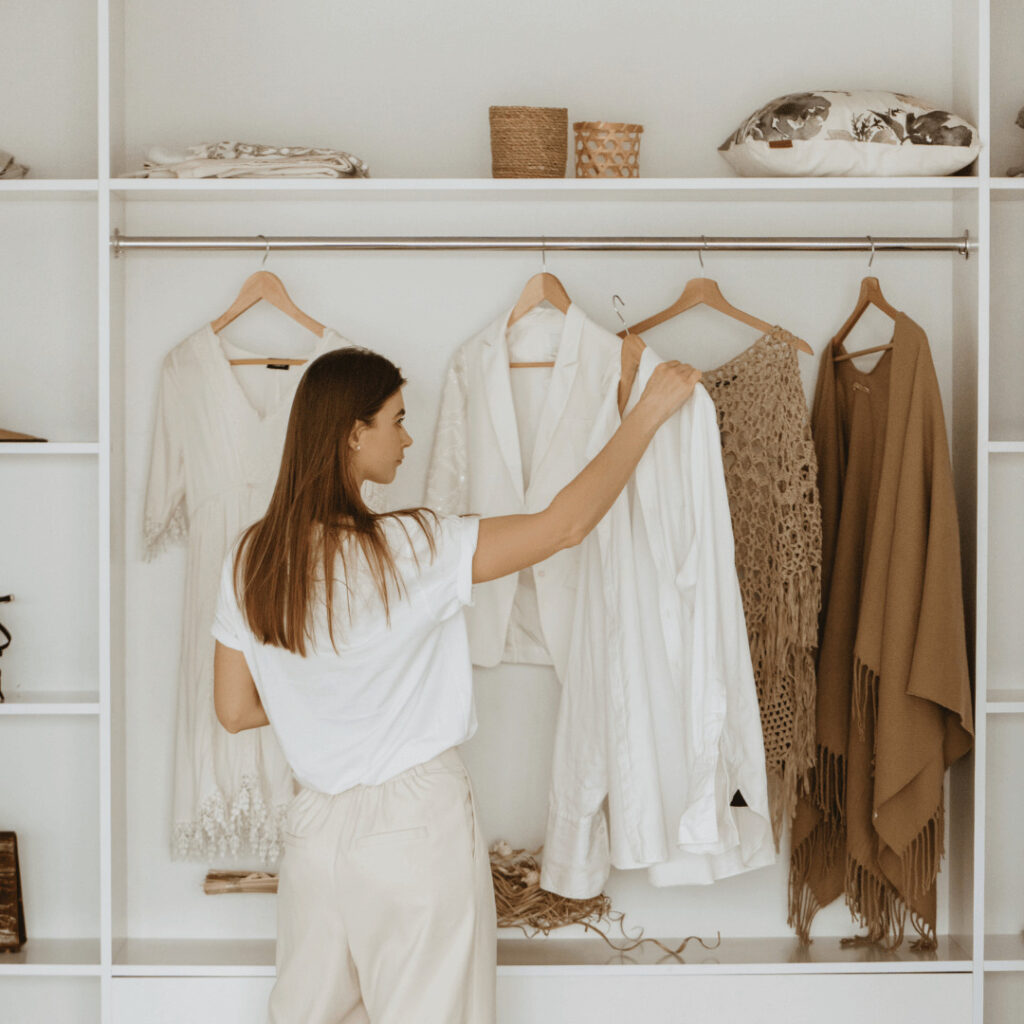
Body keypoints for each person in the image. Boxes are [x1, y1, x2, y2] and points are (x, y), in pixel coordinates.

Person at [211, 345, 701, 1024]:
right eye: (396, 420)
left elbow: (234, 710)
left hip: (312, 837)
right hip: (415, 828)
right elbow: (564, 526)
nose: (408, 437)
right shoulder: (410, 547)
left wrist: (321, 699)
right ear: (354, 434)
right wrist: (646, 414)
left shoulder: (251, 558)